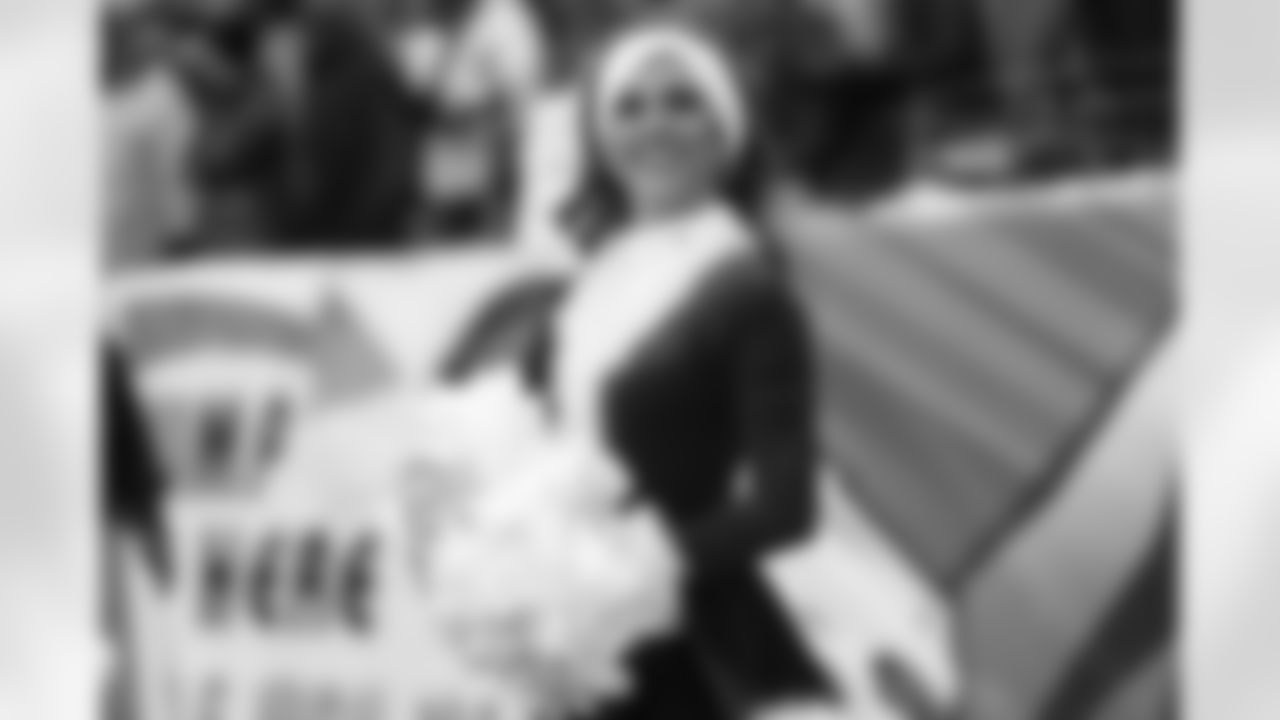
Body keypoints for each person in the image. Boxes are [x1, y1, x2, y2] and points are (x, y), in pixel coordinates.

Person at [517, 24, 839, 719]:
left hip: (693, 645)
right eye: (628, 107)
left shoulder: (747, 287)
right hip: (583, 643)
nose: (653, 124)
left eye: (681, 102)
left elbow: (787, 506)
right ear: (600, 135)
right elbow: (537, 437)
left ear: (725, 130)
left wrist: (644, 561)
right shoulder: (591, 282)